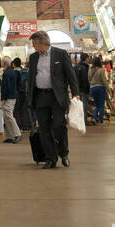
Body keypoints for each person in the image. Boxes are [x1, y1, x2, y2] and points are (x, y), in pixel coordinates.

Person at [27, 30, 82, 168]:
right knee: (44, 128)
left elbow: (71, 75)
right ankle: (51, 158)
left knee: (59, 125)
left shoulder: (60, 54)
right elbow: (31, 78)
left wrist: (76, 93)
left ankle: (63, 153)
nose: (33, 46)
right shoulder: (33, 58)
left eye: (35, 43)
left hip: (57, 97)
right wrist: (29, 97)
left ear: (43, 43)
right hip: (40, 96)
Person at [0, 55, 22, 143]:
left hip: (9, 97)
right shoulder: (11, 72)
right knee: (6, 116)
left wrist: (4, 98)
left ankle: (17, 134)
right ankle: (10, 136)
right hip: (12, 96)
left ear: (5, 63)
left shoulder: (7, 73)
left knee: (9, 116)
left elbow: (6, 87)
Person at [88, 55, 109, 125]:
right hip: (100, 88)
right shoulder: (101, 70)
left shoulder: (90, 70)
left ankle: (94, 118)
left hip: (92, 88)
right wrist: (108, 89)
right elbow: (104, 81)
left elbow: (88, 80)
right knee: (101, 105)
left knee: (96, 105)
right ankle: (101, 121)